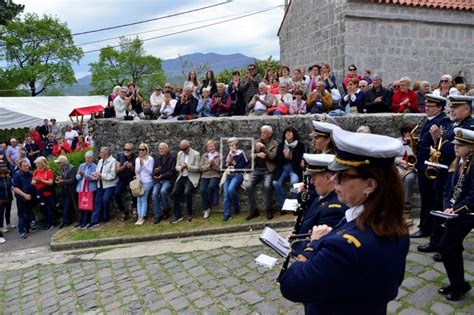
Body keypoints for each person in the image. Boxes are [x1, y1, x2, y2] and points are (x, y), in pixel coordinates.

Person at [280, 127, 409, 314]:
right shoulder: (395, 225)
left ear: (370, 185)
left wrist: (312, 245)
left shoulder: (345, 246)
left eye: (342, 175)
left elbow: (291, 286)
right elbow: (392, 284)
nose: (334, 179)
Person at [437, 127, 473, 301]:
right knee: (452, 247)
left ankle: (459, 286)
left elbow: (472, 197)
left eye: (461, 145)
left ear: (472, 147)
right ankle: (457, 283)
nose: (456, 147)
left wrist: (455, 210)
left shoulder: (472, 165)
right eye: (456, 144)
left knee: (446, 246)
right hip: (453, 213)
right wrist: (446, 207)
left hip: (466, 215)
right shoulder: (457, 161)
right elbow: (447, 189)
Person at [410, 95, 451, 239]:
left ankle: (427, 228)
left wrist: (437, 138)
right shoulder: (430, 120)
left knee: (430, 200)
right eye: (425, 106)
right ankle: (426, 226)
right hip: (423, 165)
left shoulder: (443, 121)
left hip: (432, 168)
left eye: (430, 106)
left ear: (439, 108)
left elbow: (443, 144)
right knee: (426, 198)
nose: (426, 108)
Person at [291, 154, 348, 256]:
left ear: (328, 178)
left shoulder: (333, 208)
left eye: (313, 177)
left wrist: (293, 245)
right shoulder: (322, 197)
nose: (312, 182)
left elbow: (321, 245)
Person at [247, 125, 278, 220]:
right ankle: (253, 210)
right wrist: (257, 155)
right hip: (257, 169)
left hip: (268, 170)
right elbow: (249, 155)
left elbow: (272, 157)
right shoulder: (257, 142)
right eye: (261, 132)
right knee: (248, 186)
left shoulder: (274, 143)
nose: (262, 134)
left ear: (269, 134)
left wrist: (264, 148)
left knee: (267, 186)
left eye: (264, 132)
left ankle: (269, 209)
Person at [273, 127, 305, 208]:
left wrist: (291, 157)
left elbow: (301, 160)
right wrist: (285, 157)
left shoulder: (300, 145)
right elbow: (277, 159)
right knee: (276, 183)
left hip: (295, 168)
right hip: (283, 168)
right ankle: (284, 204)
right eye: (286, 132)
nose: (288, 134)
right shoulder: (282, 145)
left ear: (294, 134)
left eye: (290, 132)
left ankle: (294, 205)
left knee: (294, 183)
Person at [171, 140, 201, 223]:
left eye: (185, 149)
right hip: (182, 176)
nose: (183, 150)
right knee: (174, 193)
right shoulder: (179, 154)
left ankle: (190, 213)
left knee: (187, 192)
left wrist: (188, 167)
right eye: (181, 149)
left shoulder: (196, 154)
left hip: (191, 177)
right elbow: (176, 167)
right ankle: (178, 215)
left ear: (189, 146)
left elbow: (198, 168)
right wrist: (181, 168)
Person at [88, 147, 118, 229]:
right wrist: (96, 175)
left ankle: (106, 218)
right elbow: (98, 172)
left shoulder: (113, 161)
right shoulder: (100, 161)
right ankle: (94, 221)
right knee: (97, 202)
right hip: (100, 184)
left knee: (105, 200)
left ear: (106, 153)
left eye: (101, 152)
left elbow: (113, 175)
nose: (100, 154)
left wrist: (101, 175)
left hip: (110, 184)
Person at [222, 138, 248, 222]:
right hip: (229, 175)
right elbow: (223, 166)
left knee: (231, 189)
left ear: (236, 146)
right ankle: (227, 214)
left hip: (238, 175)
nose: (231, 147)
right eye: (229, 146)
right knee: (226, 193)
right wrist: (227, 163)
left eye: (233, 145)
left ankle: (237, 207)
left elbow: (242, 167)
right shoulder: (228, 154)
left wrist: (233, 162)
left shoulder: (241, 154)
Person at [151, 143, 176, 224]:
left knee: (163, 191)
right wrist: (155, 173)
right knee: (154, 194)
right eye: (160, 149)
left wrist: (162, 176)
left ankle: (166, 210)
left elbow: (172, 172)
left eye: (162, 148)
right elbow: (154, 170)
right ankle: (158, 215)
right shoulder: (157, 157)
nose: (161, 150)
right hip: (158, 180)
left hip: (168, 179)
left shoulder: (172, 158)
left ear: (167, 149)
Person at [395, 124, 417, 211]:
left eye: (413, 132)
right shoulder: (397, 142)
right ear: (404, 133)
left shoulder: (416, 142)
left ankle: (406, 201)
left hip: (411, 167)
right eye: (411, 132)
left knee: (409, 178)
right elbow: (391, 157)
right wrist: (401, 162)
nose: (413, 134)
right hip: (398, 166)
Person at [12, 160, 36, 239]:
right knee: (22, 215)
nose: (27, 167)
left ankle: (28, 228)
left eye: (27, 165)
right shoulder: (17, 175)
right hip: (22, 198)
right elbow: (15, 188)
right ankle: (21, 232)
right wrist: (24, 195)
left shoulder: (29, 173)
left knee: (29, 212)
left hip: (30, 197)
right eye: (24, 166)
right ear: (20, 167)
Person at [115, 143, 137, 222]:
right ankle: (123, 211)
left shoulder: (135, 157)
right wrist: (124, 166)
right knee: (117, 193)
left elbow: (136, 171)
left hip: (132, 177)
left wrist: (131, 167)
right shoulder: (120, 156)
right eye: (125, 149)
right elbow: (117, 169)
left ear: (132, 150)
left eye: (128, 150)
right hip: (122, 178)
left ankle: (135, 208)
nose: (126, 151)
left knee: (134, 191)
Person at [199, 140, 221, 219]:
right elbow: (201, 168)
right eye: (209, 147)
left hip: (215, 175)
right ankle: (206, 209)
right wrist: (209, 165)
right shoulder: (204, 156)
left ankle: (207, 207)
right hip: (204, 176)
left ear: (215, 147)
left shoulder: (219, 155)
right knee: (202, 190)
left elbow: (220, 169)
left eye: (212, 146)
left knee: (210, 187)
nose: (211, 148)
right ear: (207, 148)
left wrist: (214, 165)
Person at [75, 151, 97, 229]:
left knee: (88, 206)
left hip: (90, 189)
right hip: (81, 189)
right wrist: (80, 175)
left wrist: (84, 174)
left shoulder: (94, 166)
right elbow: (77, 177)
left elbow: (94, 178)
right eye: (86, 158)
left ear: (92, 158)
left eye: (89, 158)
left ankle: (86, 221)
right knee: (81, 206)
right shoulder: (82, 165)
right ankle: (81, 221)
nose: (87, 160)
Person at [54, 155, 77, 229]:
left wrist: (62, 181)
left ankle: (65, 221)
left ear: (63, 163)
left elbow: (73, 180)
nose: (58, 164)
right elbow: (63, 177)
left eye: (59, 163)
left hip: (70, 190)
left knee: (68, 205)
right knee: (64, 205)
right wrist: (60, 178)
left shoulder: (72, 168)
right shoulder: (61, 169)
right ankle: (67, 220)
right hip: (64, 189)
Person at [31, 157, 54, 230]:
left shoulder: (48, 171)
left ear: (42, 164)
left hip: (47, 192)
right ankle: (47, 222)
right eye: (36, 164)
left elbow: (50, 182)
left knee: (49, 208)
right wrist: (36, 181)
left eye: (38, 164)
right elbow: (32, 182)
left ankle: (49, 224)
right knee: (43, 209)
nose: (36, 165)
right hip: (39, 193)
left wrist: (41, 180)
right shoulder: (36, 171)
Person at [135, 143, 154, 225]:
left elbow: (150, 171)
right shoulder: (137, 159)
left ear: (146, 150)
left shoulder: (150, 159)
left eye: (143, 149)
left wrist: (143, 165)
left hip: (148, 181)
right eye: (139, 149)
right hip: (140, 181)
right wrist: (139, 180)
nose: (141, 151)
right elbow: (137, 171)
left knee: (143, 198)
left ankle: (142, 216)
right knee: (138, 199)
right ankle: (139, 215)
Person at [0, 166, 13, 240]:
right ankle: (1, 227)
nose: (3, 175)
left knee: (8, 211)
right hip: (1, 199)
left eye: (5, 174)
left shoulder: (9, 178)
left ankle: (8, 224)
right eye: (2, 174)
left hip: (8, 198)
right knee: (1, 213)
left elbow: (11, 186)